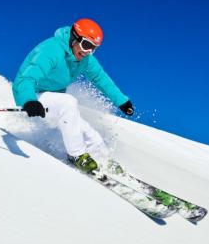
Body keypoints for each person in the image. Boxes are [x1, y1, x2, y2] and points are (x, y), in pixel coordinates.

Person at [12, 19, 134, 173]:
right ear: (74, 38)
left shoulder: (85, 59)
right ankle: (77, 156)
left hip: (53, 97)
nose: (87, 52)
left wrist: (122, 101)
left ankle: (103, 159)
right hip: (31, 94)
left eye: (93, 48)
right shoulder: (51, 50)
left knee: (88, 132)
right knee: (69, 102)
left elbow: (100, 78)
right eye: (86, 45)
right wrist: (29, 100)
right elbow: (27, 78)